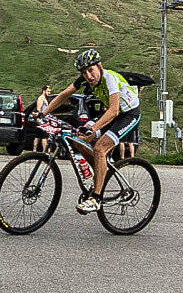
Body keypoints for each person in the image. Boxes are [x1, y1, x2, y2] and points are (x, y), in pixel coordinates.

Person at [43, 49, 140, 213]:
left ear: (100, 67)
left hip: (127, 114)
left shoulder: (110, 78)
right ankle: (100, 171)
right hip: (110, 113)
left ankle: (96, 198)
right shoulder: (85, 80)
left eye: (90, 70)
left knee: (100, 148)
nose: (88, 76)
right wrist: (43, 112)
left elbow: (114, 111)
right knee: (78, 139)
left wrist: (94, 129)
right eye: (84, 72)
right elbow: (64, 95)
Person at [29, 84, 53, 151]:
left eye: (49, 91)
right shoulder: (41, 98)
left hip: (43, 119)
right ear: (44, 91)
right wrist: (38, 116)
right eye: (48, 91)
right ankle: (43, 151)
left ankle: (35, 150)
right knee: (44, 137)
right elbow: (38, 109)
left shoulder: (45, 99)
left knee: (38, 136)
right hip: (42, 120)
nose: (49, 93)